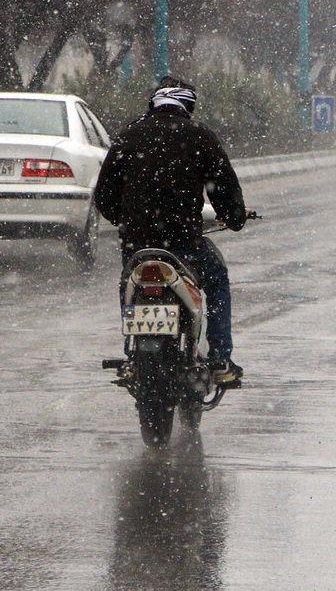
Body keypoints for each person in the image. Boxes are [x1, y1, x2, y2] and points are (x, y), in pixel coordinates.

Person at [94, 76, 248, 383]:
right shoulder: (200, 136)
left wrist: (124, 220)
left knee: (130, 287)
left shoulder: (128, 136)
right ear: (187, 105)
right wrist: (234, 218)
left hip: (137, 246)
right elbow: (225, 190)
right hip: (184, 244)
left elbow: (104, 196)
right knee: (217, 280)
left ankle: (132, 355)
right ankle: (219, 359)